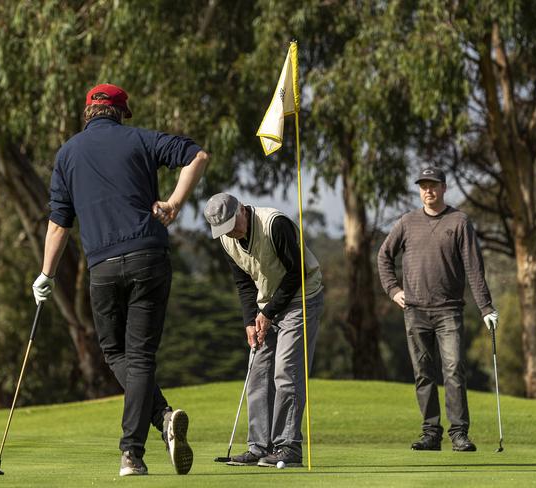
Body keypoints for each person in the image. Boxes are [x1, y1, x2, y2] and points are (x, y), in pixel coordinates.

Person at [31, 83, 209, 476]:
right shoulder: (141, 139)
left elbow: (59, 226)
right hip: (149, 257)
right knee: (141, 355)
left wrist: (46, 275)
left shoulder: (67, 155)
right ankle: (144, 440)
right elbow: (197, 155)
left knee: (115, 353)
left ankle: (144, 438)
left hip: (104, 267)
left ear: (88, 112)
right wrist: (175, 203)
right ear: (119, 112)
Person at [377, 167, 499, 452]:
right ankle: (431, 433)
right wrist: (393, 290)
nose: (428, 190)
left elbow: (474, 269)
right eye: (423, 186)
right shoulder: (407, 222)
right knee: (423, 373)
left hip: (449, 310)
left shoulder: (459, 221)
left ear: (444, 188)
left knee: (454, 369)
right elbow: (384, 257)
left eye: (433, 185)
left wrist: (486, 308)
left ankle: (459, 433)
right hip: (415, 310)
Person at [203, 193, 324, 468]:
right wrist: (250, 320)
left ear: (242, 210)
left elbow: (297, 272)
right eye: (224, 229)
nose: (232, 232)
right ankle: (259, 447)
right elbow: (244, 283)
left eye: (233, 224)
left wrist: (267, 314)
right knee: (257, 372)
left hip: (301, 299)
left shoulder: (274, 224)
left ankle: (288, 446)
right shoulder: (227, 239)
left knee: (286, 371)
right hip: (266, 304)